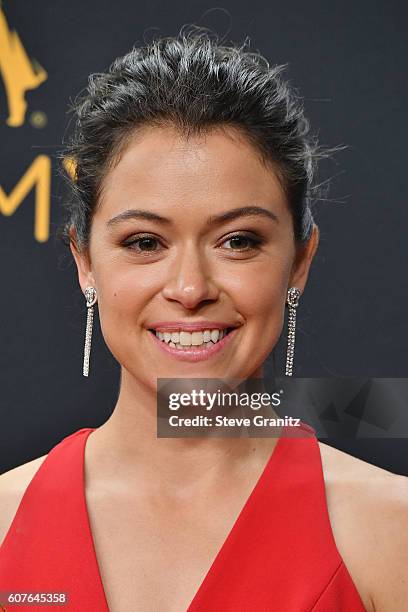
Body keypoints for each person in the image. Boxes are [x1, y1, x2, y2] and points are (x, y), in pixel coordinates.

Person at [1, 26, 407, 612]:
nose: (190, 289)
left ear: (299, 261)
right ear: (85, 262)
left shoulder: (388, 530)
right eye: (144, 242)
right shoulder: (5, 523)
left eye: (238, 240)